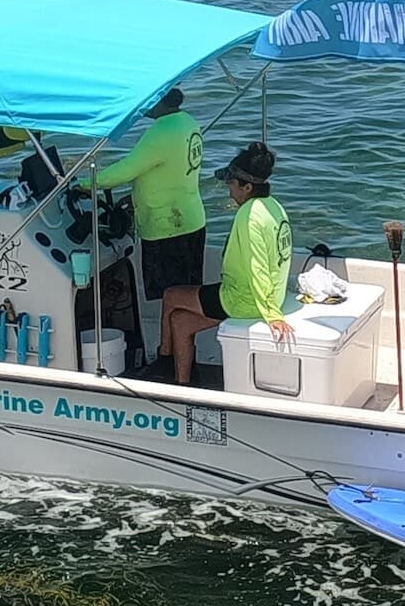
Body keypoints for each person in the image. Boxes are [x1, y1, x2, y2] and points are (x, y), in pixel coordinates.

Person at [155, 141, 293, 385]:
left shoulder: (248, 217)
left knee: (170, 296)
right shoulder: (275, 207)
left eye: (232, 184)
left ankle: (162, 360)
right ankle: (182, 384)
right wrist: (272, 304)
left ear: (247, 186)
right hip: (268, 296)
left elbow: (257, 267)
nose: (229, 190)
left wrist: (272, 314)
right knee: (179, 321)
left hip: (242, 300)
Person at [91, 87, 206, 308]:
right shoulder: (188, 122)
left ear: (158, 102)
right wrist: (133, 196)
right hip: (191, 219)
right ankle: (183, 341)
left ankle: (171, 343)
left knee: (171, 297)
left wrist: (87, 183)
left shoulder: (161, 132)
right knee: (189, 293)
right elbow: (171, 168)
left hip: (167, 228)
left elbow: (126, 170)